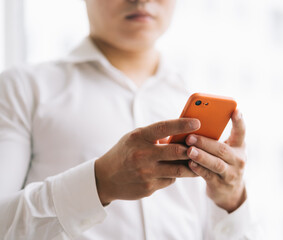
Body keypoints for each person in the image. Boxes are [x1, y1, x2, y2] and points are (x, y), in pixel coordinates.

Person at [0, 0, 260, 239]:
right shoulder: (21, 89)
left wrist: (231, 201)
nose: (141, 0)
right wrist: (99, 183)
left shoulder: (194, 99)